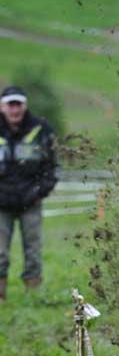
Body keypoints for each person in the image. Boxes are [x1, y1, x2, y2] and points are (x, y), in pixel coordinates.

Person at [0, 86, 58, 301]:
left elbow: (52, 167)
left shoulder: (41, 129)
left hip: (31, 202)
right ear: (2, 107)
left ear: (25, 106)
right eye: (10, 105)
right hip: (1, 204)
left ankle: (32, 298)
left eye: (18, 104)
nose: (15, 109)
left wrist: (40, 191)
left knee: (33, 251)